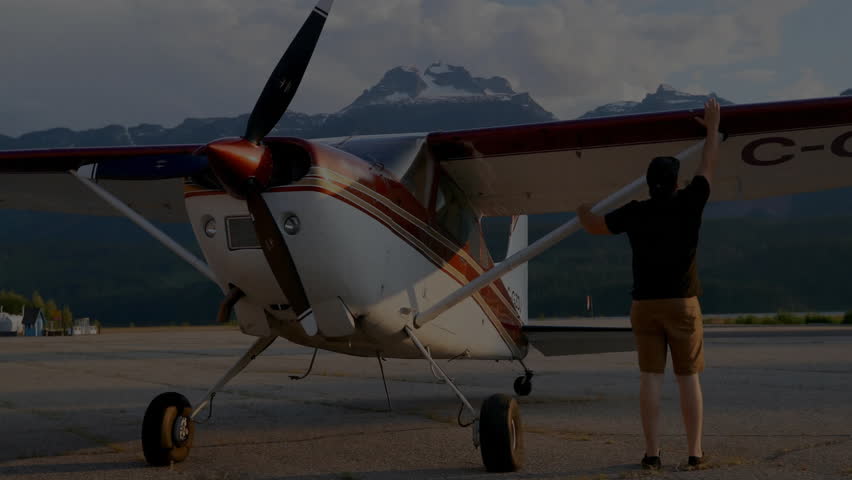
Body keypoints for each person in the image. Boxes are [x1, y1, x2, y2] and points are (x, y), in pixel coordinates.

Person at [577, 98, 721, 470]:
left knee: (650, 378)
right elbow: (708, 164)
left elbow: (594, 225)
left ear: (648, 183)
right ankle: (694, 453)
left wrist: (579, 208)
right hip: (683, 303)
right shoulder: (692, 201)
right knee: (688, 378)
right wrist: (710, 130)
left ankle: (652, 453)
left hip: (644, 305)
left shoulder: (635, 212)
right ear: (676, 181)